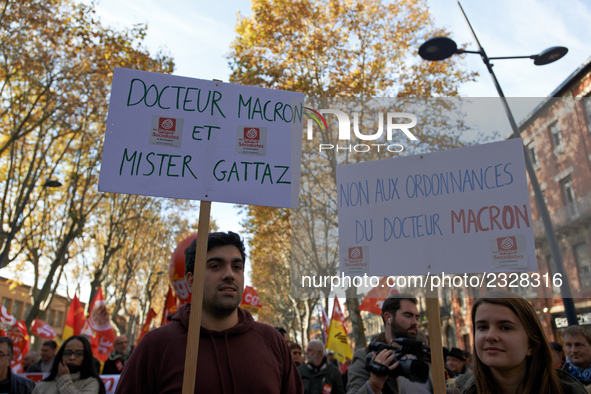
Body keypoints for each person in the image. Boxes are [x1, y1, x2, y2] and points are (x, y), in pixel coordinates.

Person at [116, 231, 303, 393]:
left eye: (237, 267)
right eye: (216, 266)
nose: (229, 274)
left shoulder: (272, 341)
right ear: (191, 280)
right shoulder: (156, 346)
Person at [451, 290, 586, 394]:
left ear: (531, 344)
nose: (490, 336)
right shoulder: (458, 391)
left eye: (505, 327)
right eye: (482, 327)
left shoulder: (568, 391)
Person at [346, 293, 432, 394]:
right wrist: (374, 384)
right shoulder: (365, 356)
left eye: (416, 317)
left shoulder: (427, 356)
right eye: (408, 316)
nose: (415, 322)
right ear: (388, 318)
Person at [32, 335, 105, 394]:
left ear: (86, 357)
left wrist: (64, 381)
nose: (72, 357)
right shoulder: (42, 386)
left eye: (79, 354)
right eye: (68, 353)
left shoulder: (91, 383)